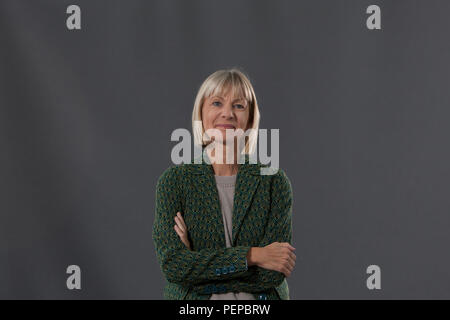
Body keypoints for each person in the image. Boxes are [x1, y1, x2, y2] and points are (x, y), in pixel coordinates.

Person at [152, 68, 295, 300]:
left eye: (238, 105)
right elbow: (174, 266)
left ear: (250, 119)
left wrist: (197, 267)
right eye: (217, 103)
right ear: (201, 113)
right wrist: (253, 255)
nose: (227, 113)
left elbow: (272, 275)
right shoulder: (174, 182)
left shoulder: (274, 182)